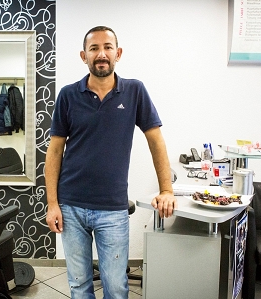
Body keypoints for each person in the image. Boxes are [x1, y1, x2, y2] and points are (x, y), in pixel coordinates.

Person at [45, 25, 177, 299]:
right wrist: (53, 204)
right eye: (94, 48)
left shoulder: (135, 91)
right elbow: (55, 152)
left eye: (107, 47)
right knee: (79, 286)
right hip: (71, 206)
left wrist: (167, 189)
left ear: (118, 53)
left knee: (116, 288)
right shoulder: (68, 95)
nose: (101, 53)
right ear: (84, 56)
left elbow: (156, 141)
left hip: (112, 209)